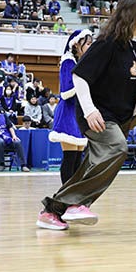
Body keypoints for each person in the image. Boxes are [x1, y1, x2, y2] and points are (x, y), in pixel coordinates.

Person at [37, 0, 136, 230]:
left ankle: (52, 211)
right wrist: (90, 109)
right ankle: (75, 205)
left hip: (122, 117)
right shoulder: (108, 43)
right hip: (97, 114)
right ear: (133, 16)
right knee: (118, 148)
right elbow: (79, 75)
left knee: (91, 165)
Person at [47, 29, 93, 184]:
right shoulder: (68, 61)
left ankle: (75, 194)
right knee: (70, 157)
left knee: (77, 160)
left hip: (77, 113)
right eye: (87, 43)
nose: (89, 46)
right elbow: (66, 92)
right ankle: (66, 195)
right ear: (76, 44)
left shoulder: (81, 63)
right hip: (67, 113)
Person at [0, 101, 27, 171]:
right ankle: (2, 164)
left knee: (17, 141)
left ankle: (23, 165)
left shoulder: (4, 116)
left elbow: (10, 127)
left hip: (8, 138)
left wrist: (14, 136)